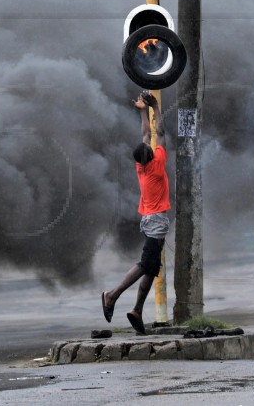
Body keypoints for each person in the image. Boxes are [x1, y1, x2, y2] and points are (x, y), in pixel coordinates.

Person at [101, 90, 170, 334]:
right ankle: (112, 295)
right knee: (145, 264)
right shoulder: (158, 165)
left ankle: (137, 310)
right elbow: (159, 132)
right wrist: (155, 108)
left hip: (148, 219)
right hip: (157, 222)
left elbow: (146, 133)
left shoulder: (141, 166)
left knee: (152, 268)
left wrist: (143, 110)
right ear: (151, 155)